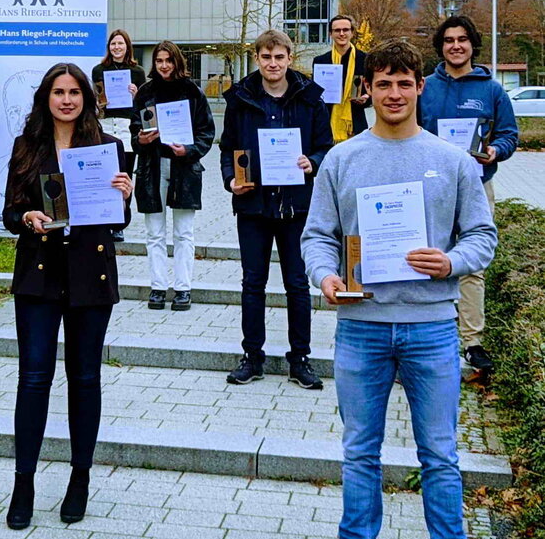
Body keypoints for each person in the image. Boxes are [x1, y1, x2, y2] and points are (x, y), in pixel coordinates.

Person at [302, 40, 496, 539]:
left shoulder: (452, 161)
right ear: (366, 89)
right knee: (360, 453)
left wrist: (451, 260)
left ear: (419, 88)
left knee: (439, 455)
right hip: (360, 329)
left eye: (403, 83)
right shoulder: (342, 160)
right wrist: (325, 275)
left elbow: (482, 235)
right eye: (383, 83)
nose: (393, 93)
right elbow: (317, 236)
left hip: (431, 328)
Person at [0, 63, 132, 530]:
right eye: (59, 92)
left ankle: (80, 477)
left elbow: (119, 222)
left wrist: (124, 195)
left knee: (84, 378)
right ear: (46, 97)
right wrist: (28, 217)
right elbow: (8, 214)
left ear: (86, 98)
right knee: (33, 379)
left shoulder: (108, 148)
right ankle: (24, 482)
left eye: (75, 92)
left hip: (89, 273)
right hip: (39, 273)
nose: (67, 100)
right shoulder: (26, 147)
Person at [219, 29, 333, 390]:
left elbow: (325, 146)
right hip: (253, 204)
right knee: (253, 283)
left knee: (297, 284)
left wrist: (311, 161)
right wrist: (230, 180)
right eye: (266, 57)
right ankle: (253, 357)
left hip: (296, 206)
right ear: (257, 59)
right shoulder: (239, 98)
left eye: (279, 57)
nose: (273, 64)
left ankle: (300, 359)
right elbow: (227, 150)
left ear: (290, 57)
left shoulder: (311, 97)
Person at [417, 14, 517, 374]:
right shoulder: (425, 87)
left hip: (476, 186)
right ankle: (429, 333)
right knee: (428, 260)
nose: (455, 45)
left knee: (472, 264)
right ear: (440, 47)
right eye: (448, 40)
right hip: (431, 187)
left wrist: (496, 151)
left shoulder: (491, 90)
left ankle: (472, 341)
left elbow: (509, 135)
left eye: (462, 39)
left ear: (473, 44)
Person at [131, 41, 215, 311]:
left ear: (177, 62)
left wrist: (189, 150)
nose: (164, 65)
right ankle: (157, 287)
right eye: (159, 61)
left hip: (184, 168)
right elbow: (134, 130)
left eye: (168, 60)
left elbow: (207, 132)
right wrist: (141, 139)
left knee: (184, 232)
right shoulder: (145, 92)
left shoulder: (192, 92)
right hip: (152, 168)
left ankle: (183, 288)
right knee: (154, 232)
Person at [91, 28, 144, 242]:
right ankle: (103, 219)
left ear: (127, 47)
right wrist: (97, 102)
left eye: (120, 44)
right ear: (108, 47)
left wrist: (136, 95)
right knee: (105, 175)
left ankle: (121, 222)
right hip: (105, 124)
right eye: (113, 44)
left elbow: (143, 106)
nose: (117, 47)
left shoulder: (138, 72)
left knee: (125, 175)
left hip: (126, 126)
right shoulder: (98, 70)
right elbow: (98, 101)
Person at [312, 13, 371, 142]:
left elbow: (374, 89)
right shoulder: (320, 61)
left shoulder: (365, 59)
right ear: (330, 34)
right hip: (327, 124)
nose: (342, 33)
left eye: (345, 30)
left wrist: (367, 98)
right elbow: (314, 94)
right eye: (337, 30)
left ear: (352, 33)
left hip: (356, 124)